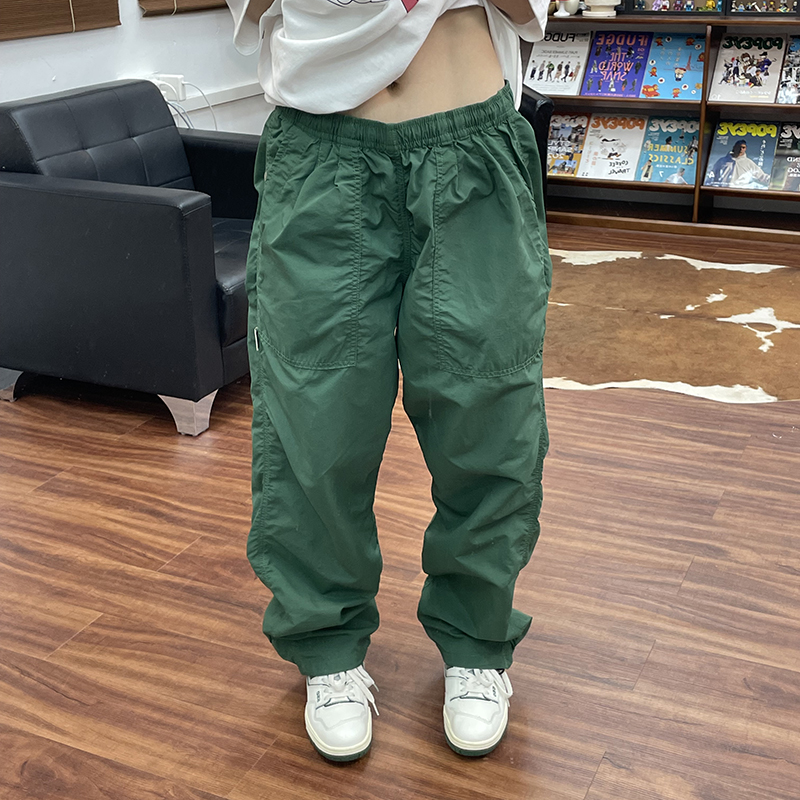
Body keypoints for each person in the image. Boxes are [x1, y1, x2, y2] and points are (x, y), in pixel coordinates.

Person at [224, 0, 550, 763]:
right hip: (321, 155)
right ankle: (328, 649)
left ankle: (477, 639)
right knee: (316, 424)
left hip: (473, 147)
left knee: (490, 415)